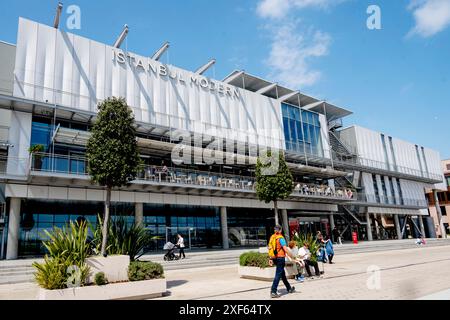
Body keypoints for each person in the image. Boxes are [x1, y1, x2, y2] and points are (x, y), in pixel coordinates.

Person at [268, 225, 296, 298]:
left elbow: (271, 248)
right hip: (280, 258)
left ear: (275, 230)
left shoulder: (272, 237)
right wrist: (292, 256)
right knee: (278, 274)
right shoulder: (281, 238)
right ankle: (273, 291)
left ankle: (289, 288)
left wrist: (270, 258)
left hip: (274, 258)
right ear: (280, 230)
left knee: (282, 274)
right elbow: (285, 249)